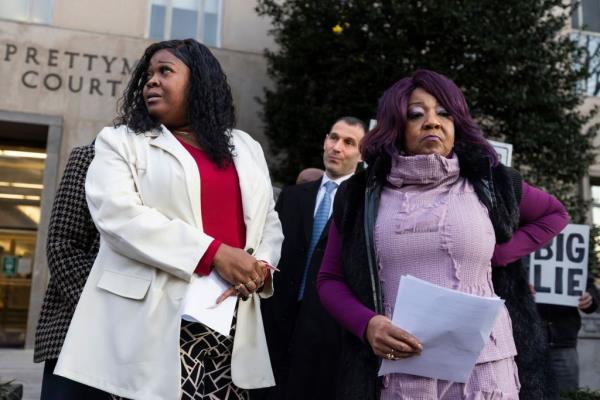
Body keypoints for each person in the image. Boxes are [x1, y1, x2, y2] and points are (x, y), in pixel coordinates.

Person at [317, 69, 569, 400]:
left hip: (488, 368)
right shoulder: (358, 195)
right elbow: (329, 279)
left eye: (444, 112)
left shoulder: (490, 181)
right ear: (396, 126)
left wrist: (502, 252)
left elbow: (555, 213)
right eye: (416, 114)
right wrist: (368, 325)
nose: (433, 122)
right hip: (402, 369)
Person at [53, 39, 283, 400]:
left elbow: (268, 219)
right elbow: (119, 217)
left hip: (229, 325)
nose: (151, 82)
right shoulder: (121, 141)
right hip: (154, 324)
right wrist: (215, 253)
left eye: (165, 71)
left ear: (200, 82)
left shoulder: (245, 146)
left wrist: (261, 266)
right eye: (148, 75)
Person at [259, 116, 366, 400]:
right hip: (275, 328)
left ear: (362, 153)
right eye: (333, 137)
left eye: (348, 142)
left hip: (325, 336)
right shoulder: (292, 198)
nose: (337, 147)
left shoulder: (363, 207)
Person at [34, 143, 109, 400]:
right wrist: (108, 312)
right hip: (77, 333)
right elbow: (62, 246)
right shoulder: (92, 156)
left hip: (148, 341)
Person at [538, 277, 599, 391]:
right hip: (526, 344)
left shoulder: (573, 259)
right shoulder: (516, 260)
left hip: (563, 343)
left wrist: (590, 297)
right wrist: (520, 291)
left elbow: (588, 284)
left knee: (567, 394)